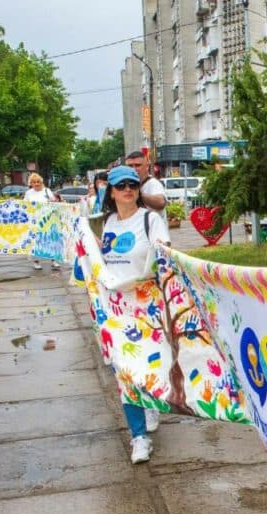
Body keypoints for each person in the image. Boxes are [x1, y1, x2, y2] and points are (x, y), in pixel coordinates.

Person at [100, 165, 171, 464]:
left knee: (150, 364)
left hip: (147, 305)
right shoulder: (108, 222)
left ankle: (150, 400)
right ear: (111, 192)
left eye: (133, 184)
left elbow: (165, 255)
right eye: (121, 186)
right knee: (123, 370)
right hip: (115, 308)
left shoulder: (149, 219)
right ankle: (139, 437)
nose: (128, 189)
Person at [25, 173, 60, 270]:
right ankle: (36, 261)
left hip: (48, 219)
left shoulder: (47, 191)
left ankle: (54, 260)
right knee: (36, 241)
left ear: (41, 182)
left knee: (51, 239)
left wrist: (54, 201)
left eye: (38, 182)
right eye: (34, 182)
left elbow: (54, 202)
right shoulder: (28, 193)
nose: (36, 184)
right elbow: (25, 205)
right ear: (31, 183)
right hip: (35, 220)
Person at [124, 150, 167, 218]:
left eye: (138, 165)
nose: (133, 169)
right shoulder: (127, 185)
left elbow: (161, 203)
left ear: (147, 167)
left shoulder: (152, 183)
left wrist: (138, 195)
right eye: (130, 166)